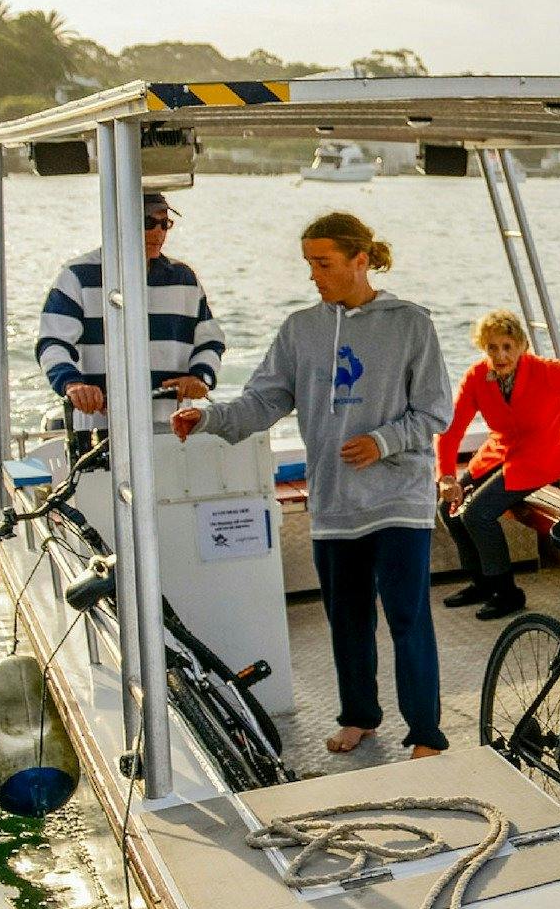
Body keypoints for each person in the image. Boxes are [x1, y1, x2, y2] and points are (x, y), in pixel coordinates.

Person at [171, 211, 453, 759]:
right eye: (309, 264)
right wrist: (208, 418)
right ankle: (359, 717)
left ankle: (426, 734)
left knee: (406, 615)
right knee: (346, 618)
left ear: (360, 260)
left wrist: (384, 442)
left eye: (323, 263)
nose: (314, 275)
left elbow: (435, 412)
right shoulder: (301, 330)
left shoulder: (410, 324)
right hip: (334, 502)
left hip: (400, 499)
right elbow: (263, 402)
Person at [435, 309, 560, 620]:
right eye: (492, 347)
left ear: (522, 346)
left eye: (507, 346)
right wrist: (447, 476)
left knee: (478, 514)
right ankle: (482, 584)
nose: (500, 355)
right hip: (502, 451)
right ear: (483, 348)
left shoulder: (545, 371)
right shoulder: (476, 378)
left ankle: (508, 593)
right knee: (449, 507)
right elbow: (451, 430)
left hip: (544, 455)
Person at [35, 189, 225, 431]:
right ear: (120, 224)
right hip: (99, 431)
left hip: (173, 430)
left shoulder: (185, 279)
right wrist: (72, 385)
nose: (158, 232)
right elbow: (52, 343)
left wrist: (201, 377)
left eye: (165, 224)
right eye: (149, 223)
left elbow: (210, 342)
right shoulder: (76, 277)